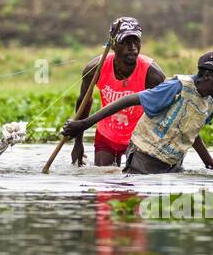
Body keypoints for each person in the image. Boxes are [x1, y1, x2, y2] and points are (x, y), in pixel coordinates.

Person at [61, 51, 213, 174]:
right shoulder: (177, 87)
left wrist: (211, 164)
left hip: (173, 161)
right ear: (208, 77)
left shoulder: (210, 101)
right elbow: (129, 99)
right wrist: (84, 124)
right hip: (144, 156)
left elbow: (191, 133)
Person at [71, 17, 168, 167]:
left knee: (133, 183)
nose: (133, 48)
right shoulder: (95, 69)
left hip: (139, 137)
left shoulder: (152, 74)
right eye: (126, 42)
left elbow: (168, 112)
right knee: (104, 180)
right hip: (107, 134)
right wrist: (78, 144)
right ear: (113, 45)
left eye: (136, 42)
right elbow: (84, 102)